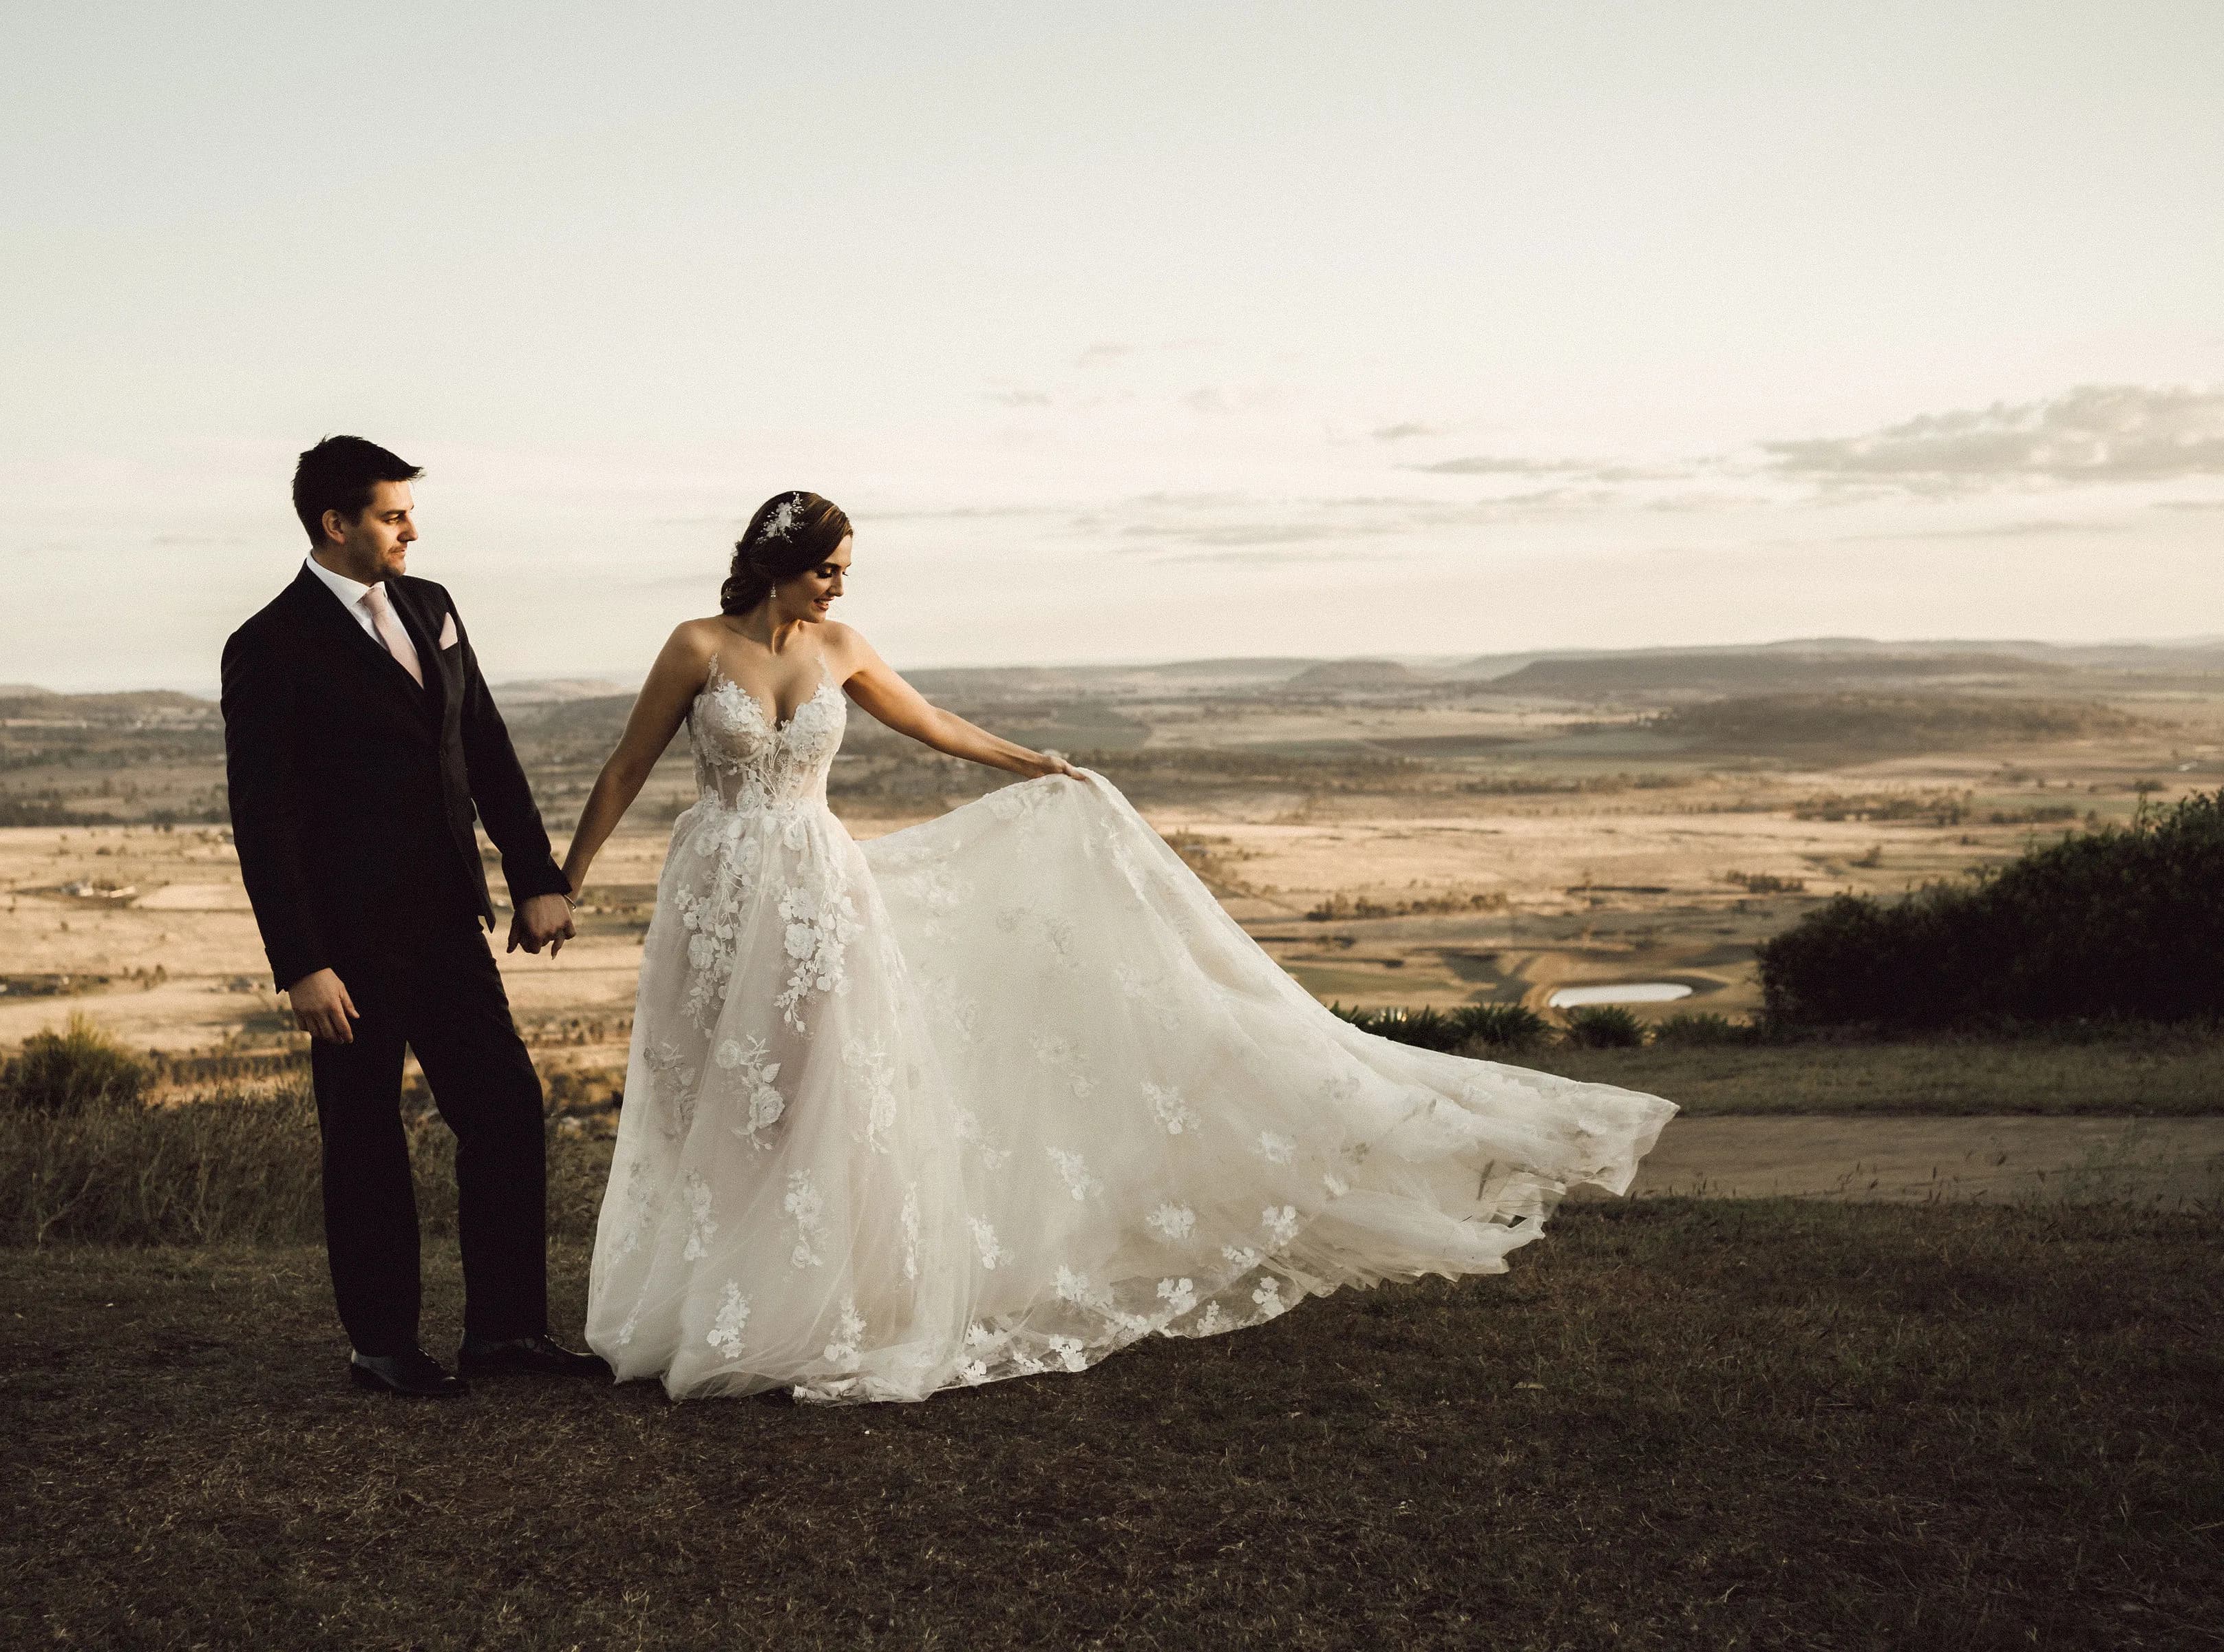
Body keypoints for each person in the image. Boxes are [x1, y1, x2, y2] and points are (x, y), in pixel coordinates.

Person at [569, 491, 1677, 1401]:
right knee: (718, 1093)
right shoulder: (696, 646)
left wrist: (1035, 767)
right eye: (828, 568)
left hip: (817, 889)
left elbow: (938, 727)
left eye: (847, 570)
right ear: (781, 560)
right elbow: (624, 770)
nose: (841, 587)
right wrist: (557, 886)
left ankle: (814, 1302)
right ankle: (713, 1295)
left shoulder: (847, 648)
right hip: (714, 890)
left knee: (821, 1087)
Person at [222, 435, 592, 1397]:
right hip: (347, 946)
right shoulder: (267, 646)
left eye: (408, 513)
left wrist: (535, 874)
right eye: (393, 516)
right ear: (334, 524)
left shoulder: (432, 608)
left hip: (449, 924)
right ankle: (382, 1345)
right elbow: (263, 822)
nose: (411, 531)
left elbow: (486, 746)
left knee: (507, 1109)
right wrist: (300, 962)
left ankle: (506, 1331)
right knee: (365, 1136)